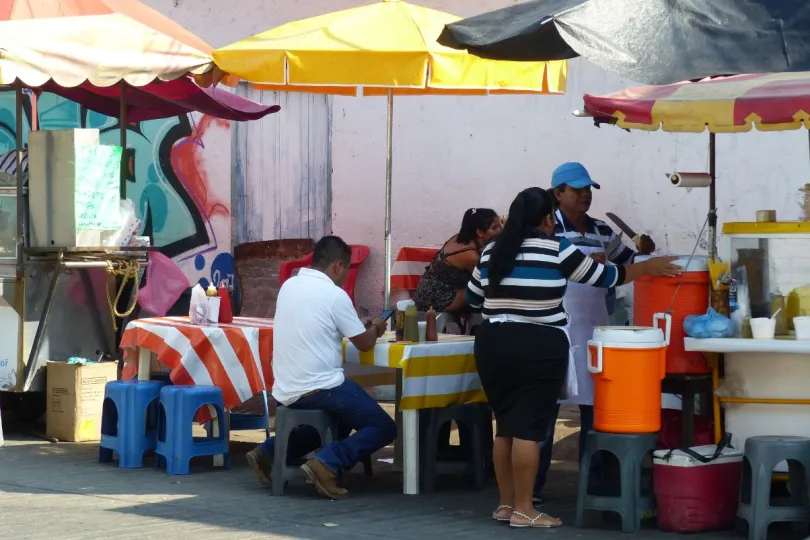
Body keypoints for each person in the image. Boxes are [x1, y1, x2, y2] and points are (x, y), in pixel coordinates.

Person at [467, 187, 679, 528]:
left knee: (505, 425)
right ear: (549, 218)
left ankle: (506, 504)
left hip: (492, 343)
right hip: (537, 345)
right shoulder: (556, 248)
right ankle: (525, 510)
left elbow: (474, 299)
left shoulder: (493, 249)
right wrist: (649, 266)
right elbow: (608, 276)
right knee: (528, 429)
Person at [534, 162, 657, 502]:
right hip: (554, 328)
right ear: (558, 193)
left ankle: (594, 483)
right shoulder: (547, 230)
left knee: (594, 410)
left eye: (588, 189)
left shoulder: (602, 229)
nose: (586, 195)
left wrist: (641, 251)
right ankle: (535, 488)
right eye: (578, 190)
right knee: (547, 411)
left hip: (594, 331)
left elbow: (628, 263)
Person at [246, 236, 397, 500]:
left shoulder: (290, 286)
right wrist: (376, 327)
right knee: (384, 426)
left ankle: (269, 451)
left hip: (286, 386)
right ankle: (327, 464)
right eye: (347, 270)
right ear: (338, 266)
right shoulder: (334, 295)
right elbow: (364, 343)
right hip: (321, 387)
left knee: (341, 420)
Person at [414, 208, 501, 314]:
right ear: (479, 232)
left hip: (423, 292)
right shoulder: (469, 255)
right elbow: (488, 279)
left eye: (500, 225)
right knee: (480, 292)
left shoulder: (458, 238)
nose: (500, 230)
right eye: (494, 227)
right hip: (434, 299)